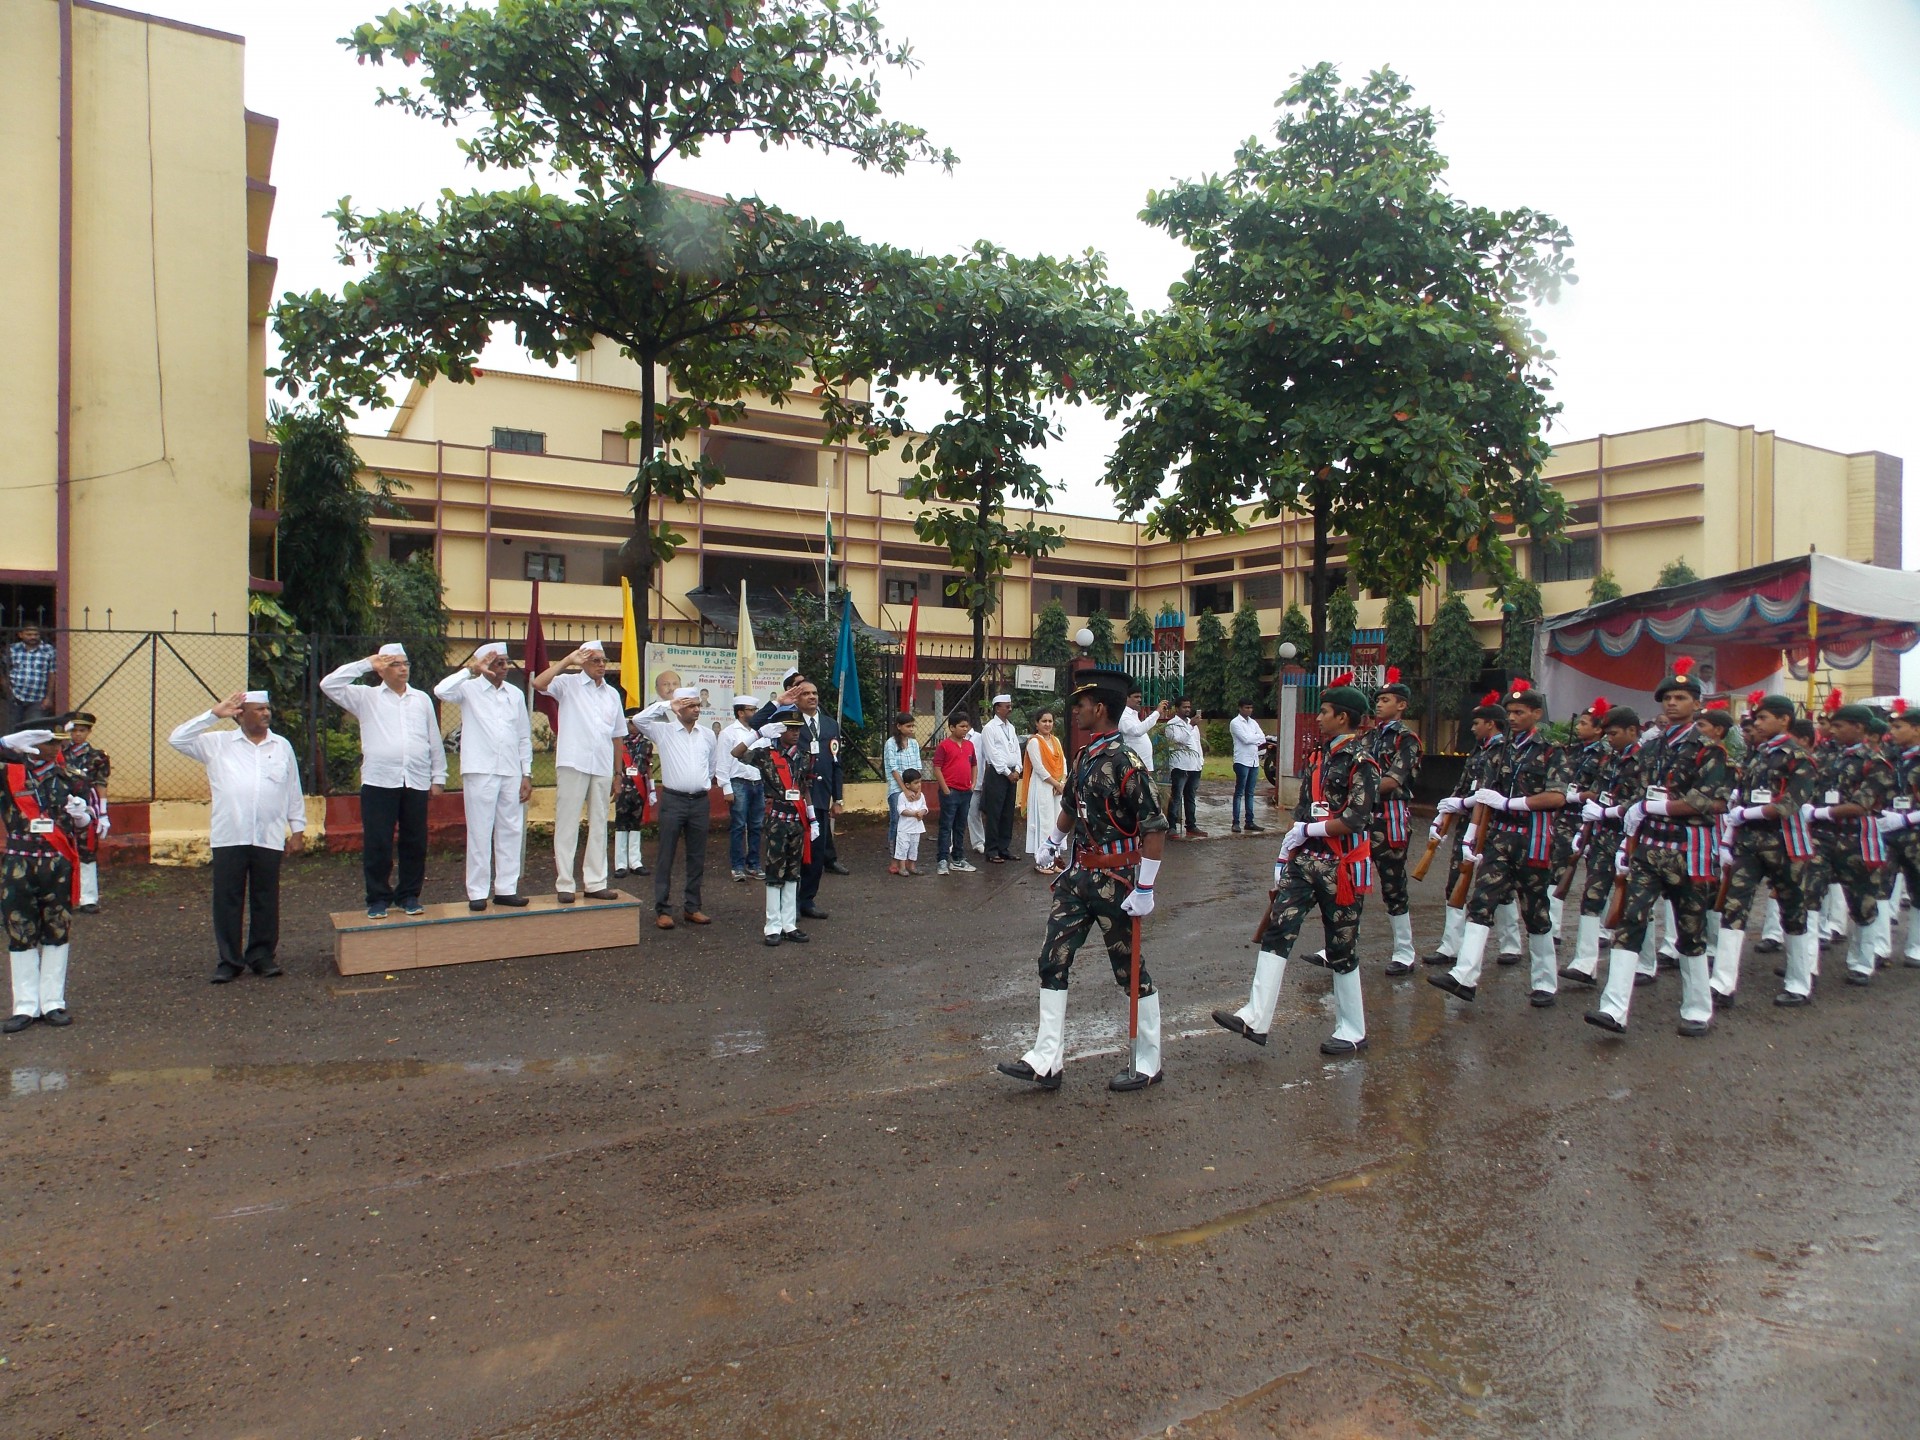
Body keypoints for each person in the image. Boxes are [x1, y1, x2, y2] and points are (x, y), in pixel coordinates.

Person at [999, 666, 1171, 1093]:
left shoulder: (1126, 762)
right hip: (1078, 877)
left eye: (1080, 705)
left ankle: (1148, 1061)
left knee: (1129, 971)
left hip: (1118, 880)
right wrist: (1053, 842)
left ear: (1099, 708)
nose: (1074, 711)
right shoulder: (1085, 756)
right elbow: (1072, 806)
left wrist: (1146, 888)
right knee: (1052, 958)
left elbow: (1154, 827)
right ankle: (1047, 1059)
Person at [1215, 674, 1378, 1056]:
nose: (1318, 717)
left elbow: (1356, 818)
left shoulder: (1362, 763)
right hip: (1306, 861)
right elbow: (1306, 807)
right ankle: (1256, 1017)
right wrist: (1294, 842)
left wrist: (1309, 827)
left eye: (1324, 712)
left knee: (1341, 946)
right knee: (1278, 929)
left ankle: (1353, 1029)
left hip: (1342, 866)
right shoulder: (1319, 756)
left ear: (1343, 717)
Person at [1585, 657, 1729, 1038]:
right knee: (1630, 922)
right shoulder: (1650, 749)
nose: (1671, 703)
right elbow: (1636, 795)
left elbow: (1708, 800)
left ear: (1698, 703)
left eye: (1681, 697)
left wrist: (1656, 807)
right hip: (1649, 848)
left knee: (1691, 930)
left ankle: (1697, 1008)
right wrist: (1631, 813)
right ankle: (1613, 1009)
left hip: (1689, 850)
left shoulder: (1709, 750)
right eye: (1667, 697)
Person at [1430, 679, 1567, 1008]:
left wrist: (1511, 804)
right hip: (1500, 837)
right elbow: (1484, 796)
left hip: (1533, 836)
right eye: (1510, 712)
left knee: (1536, 910)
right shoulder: (1500, 749)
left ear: (1536, 713)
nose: (1514, 717)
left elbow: (1556, 797)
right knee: (1481, 901)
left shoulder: (1551, 749)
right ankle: (1465, 975)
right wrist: (1470, 836)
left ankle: (1545, 982)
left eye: (1520, 712)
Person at [168, 691, 307, 984]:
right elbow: (177, 739)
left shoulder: (281, 746)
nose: (266, 713)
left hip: (267, 834)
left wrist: (298, 828)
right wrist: (213, 715)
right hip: (230, 834)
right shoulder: (217, 744)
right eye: (258, 709)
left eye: (268, 708)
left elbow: (292, 788)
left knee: (265, 897)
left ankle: (261, 956)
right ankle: (229, 960)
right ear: (240, 714)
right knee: (228, 899)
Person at [321, 644, 446, 919]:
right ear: (382, 670)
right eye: (395, 664)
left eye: (406, 663)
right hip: (379, 780)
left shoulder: (421, 699)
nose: (403, 669)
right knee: (378, 841)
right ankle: (378, 897)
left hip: (415, 778)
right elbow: (329, 684)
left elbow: (433, 738)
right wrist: (366, 663)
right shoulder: (366, 697)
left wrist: (438, 775)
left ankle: (409, 895)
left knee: (415, 840)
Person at [1714, 694, 1817, 1007]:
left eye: (1762, 718)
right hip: (1749, 844)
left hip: (1785, 844)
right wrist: (1729, 838)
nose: (1755, 724)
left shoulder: (1797, 757)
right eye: (1755, 719)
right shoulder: (1758, 754)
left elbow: (1789, 805)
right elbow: (1741, 800)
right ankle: (1722, 984)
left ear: (1784, 719)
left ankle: (1799, 983)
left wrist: (1746, 815)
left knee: (1793, 910)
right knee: (1733, 907)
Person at [2, 725, 97, 1030]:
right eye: (46, 742)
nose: (54, 747)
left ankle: (53, 1002)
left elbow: (87, 820)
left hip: (56, 862)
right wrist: (3, 744)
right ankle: (25, 1005)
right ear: (29, 744)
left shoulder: (73, 776)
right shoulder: (7, 775)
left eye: (57, 742)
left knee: (57, 928)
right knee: (20, 928)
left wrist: (83, 815)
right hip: (19, 859)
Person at [433, 642, 533, 912]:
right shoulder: (469, 689)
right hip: (481, 770)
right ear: (483, 665)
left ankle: (506, 889)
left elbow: (523, 735)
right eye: (496, 663)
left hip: (511, 770)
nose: (503, 667)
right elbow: (440, 691)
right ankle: (477, 891)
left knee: (510, 830)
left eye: (505, 662)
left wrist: (527, 773)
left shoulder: (514, 694)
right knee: (479, 830)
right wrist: (469, 671)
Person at [1802, 700, 1893, 986]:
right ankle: (1805, 963)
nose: (1833, 731)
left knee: (1862, 901)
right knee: (1808, 898)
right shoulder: (1827, 755)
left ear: (1860, 728)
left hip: (1856, 839)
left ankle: (1862, 963)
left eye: (1840, 726)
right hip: (1821, 838)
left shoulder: (1875, 763)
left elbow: (1861, 805)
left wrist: (1818, 812)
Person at [532, 641, 626, 904]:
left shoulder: (611, 694)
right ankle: (565, 883)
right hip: (573, 762)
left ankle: (595, 882)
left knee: (599, 824)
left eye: (603, 660)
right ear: (583, 662)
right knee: (567, 823)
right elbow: (538, 684)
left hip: (602, 764)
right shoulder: (568, 684)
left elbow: (618, 735)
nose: (601, 665)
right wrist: (566, 661)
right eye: (595, 660)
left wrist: (618, 774)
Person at [1557, 701, 1642, 987]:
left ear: (1632, 731)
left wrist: (1607, 812)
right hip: (1603, 835)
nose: (1609, 739)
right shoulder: (1610, 758)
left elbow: (1642, 801)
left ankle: (1646, 963)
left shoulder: (1644, 761)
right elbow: (1601, 794)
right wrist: (1587, 829)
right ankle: (1585, 963)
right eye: (1606, 733)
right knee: (1591, 897)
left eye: (1614, 733)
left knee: (1635, 903)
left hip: (1632, 838)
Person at [628, 686, 722, 929]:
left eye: (697, 705)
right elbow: (638, 719)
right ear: (679, 707)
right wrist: (668, 705)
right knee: (666, 855)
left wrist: (699, 782)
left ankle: (693, 907)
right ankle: (663, 909)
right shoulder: (664, 731)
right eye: (690, 705)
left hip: (700, 801)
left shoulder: (707, 735)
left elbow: (711, 767)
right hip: (673, 800)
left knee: (697, 856)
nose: (696, 709)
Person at [1425, 693, 1509, 965]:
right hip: (1467, 824)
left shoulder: (1503, 752)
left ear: (1492, 724)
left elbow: (1488, 793)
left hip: (1492, 827)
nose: (1472, 728)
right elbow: (1464, 787)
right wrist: (1445, 812)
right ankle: (1450, 945)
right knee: (1455, 882)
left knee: (1499, 888)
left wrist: (1460, 802)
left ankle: (1511, 945)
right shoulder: (1479, 750)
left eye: (1477, 723)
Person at [730, 708, 815, 945]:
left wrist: (813, 817)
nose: (795, 732)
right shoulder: (766, 755)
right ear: (778, 731)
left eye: (798, 728)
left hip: (797, 820)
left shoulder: (805, 756)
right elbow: (736, 752)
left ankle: (789, 924)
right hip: (777, 819)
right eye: (789, 728)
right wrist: (757, 734)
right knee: (774, 872)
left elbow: (805, 787)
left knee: (792, 872)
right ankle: (772, 926)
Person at [1363, 670, 1421, 974]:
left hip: (1389, 817)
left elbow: (1392, 780)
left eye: (1385, 700)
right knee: (1352, 881)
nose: (1379, 705)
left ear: (1401, 705)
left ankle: (1404, 951)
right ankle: (1342, 942)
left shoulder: (1406, 739)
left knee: (1393, 885)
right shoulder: (1369, 736)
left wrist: (1357, 790)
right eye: (1378, 700)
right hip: (1362, 818)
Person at [790, 681, 846, 915]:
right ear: (797, 698)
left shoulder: (830, 725)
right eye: (805, 694)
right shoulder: (789, 723)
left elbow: (836, 763)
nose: (811, 697)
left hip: (821, 799)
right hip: (796, 799)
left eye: (814, 692)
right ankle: (789, 901)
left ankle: (807, 900)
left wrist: (838, 799)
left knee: (816, 852)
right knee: (794, 852)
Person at [59, 711, 111, 914]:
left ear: (89, 732)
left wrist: (104, 813)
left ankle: (88, 897)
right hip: (62, 804)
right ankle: (63, 895)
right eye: (74, 730)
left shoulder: (97, 756)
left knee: (87, 850)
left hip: (87, 805)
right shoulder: (59, 753)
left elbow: (101, 784)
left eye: (82, 730)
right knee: (61, 848)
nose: (77, 735)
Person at [719, 697, 763, 882]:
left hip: (758, 783)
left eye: (755, 709)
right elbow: (722, 762)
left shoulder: (760, 732)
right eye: (752, 709)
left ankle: (753, 864)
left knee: (757, 825)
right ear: (741, 712)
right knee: (738, 826)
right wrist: (726, 787)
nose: (755, 713)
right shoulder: (729, 733)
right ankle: (737, 866)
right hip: (738, 782)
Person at [978, 694, 1022, 863]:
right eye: (1007, 706)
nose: (1010, 709)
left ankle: (1004, 848)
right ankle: (992, 850)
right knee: (995, 812)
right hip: (998, 774)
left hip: (1012, 773)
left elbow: (1016, 749)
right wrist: (1006, 772)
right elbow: (992, 754)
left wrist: (1017, 769)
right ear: (997, 708)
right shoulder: (990, 728)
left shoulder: (1010, 727)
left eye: (1010, 706)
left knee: (1007, 812)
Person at [932, 715, 977, 876]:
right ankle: (942, 859)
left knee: (960, 826)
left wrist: (973, 784)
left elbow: (974, 765)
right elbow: (937, 768)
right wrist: (945, 789)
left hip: (965, 792)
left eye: (967, 726)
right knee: (946, 826)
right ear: (952, 727)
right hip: (950, 792)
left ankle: (958, 858)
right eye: (962, 726)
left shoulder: (969, 745)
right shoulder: (944, 746)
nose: (965, 729)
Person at [613, 712, 656, 878]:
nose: (633, 726)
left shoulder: (646, 744)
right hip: (623, 788)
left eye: (636, 722)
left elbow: (649, 766)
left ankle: (635, 861)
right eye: (631, 722)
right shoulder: (620, 743)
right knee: (622, 824)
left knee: (636, 825)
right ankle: (621, 864)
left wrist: (652, 789)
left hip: (639, 790)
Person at [1024, 710, 1066, 871]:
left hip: (1057, 789)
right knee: (1044, 822)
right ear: (1037, 723)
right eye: (1044, 721)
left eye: (1050, 721)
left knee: (1056, 822)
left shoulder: (1056, 741)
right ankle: (1042, 861)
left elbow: (1063, 762)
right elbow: (1039, 768)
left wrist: (1062, 782)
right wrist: (1056, 783)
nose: (1047, 724)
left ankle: (1054, 859)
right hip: (1043, 786)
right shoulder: (1034, 742)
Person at [882, 711, 922, 876]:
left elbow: (918, 767)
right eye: (908, 726)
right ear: (899, 726)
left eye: (913, 726)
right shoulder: (891, 743)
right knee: (897, 823)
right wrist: (904, 789)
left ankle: (909, 861)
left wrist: (918, 789)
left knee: (913, 824)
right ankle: (895, 861)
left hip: (913, 789)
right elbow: (893, 768)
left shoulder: (913, 744)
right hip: (897, 789)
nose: (911, 729)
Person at [1164, 697, 1207, 840]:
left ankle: (1191, 825)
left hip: (1194, 765)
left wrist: (1200, 761)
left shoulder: (1191, 724)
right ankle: (1171, 827)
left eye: (1189, 707)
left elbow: (1196, 744)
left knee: (1191, 797)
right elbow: (1178, 740)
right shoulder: (1172, 724)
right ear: (1177, 708)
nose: (1187, 709)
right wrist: (1191, 726)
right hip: (1180, 765)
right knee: (1176, 797)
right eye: (1184, 707)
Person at [1228, 700, 1269, 834]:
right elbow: (1245, 739)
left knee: (1250, 793)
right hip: (1242, 760)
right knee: (1239, 792)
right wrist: (1255, 738)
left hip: (1254, 761)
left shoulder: (1253, 722)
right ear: (1240, 708)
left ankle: (1249, 822)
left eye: (1251, 707)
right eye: (1246, 707)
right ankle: (1236, 822)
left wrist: (1254, 738)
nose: (1249, 710)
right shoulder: (1235, 722)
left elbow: (1263, 738)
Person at [7, 626, 57, 730]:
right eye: (29, 634)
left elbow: (52, 673)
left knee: (33, 730)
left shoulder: (48, 650)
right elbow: (5, 671)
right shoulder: (12, 649)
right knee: (12, 730)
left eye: (36, 634)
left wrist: (48, 697)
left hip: (38, 698)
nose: (33, 637)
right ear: (21, 635)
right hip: (15, 696)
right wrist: (8, 692)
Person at [1119, 689, 1168, 774]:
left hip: (1143, 764)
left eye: (1140, 697)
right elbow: (1137, 731)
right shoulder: (1123, 716)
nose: (1139, 700)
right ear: (1126, 698)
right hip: (1134, 765)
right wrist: (1157, 712)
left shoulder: (1133, 714)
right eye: (1136, 697)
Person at [894, 769, 929, 876]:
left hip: (916, 827)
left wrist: (922, 812)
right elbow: (901, 810)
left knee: (914, 847)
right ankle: (902, 867)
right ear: (907, 785)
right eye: (916, 783)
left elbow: (924, 807)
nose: (919, 785)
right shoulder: (902, 796)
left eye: (919, 782)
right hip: (904, 828)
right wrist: (914, 814)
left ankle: (912, 866)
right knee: (903, 847)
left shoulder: (921, 796)